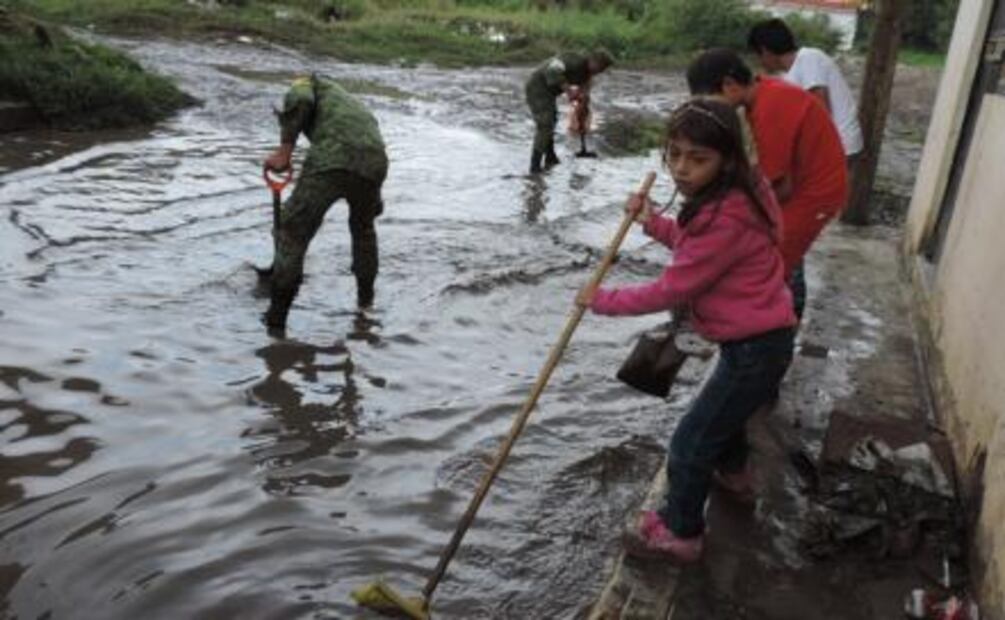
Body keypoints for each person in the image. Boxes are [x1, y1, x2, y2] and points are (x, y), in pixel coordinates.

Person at [577, 99, 797, 563]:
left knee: (689, 444)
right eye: (673, 153)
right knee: (724, 418)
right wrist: (652, 222)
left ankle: (681, 534)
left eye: (697, 159)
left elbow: (671, 288)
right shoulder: (736, 196)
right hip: (760, 338)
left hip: (755, 346)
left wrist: (601, 300)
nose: (681, 169)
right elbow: (694, 244)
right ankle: (735, 478)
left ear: (727, 159)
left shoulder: (724, 216)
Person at [686, 49, 848, 320]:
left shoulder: (772, 106)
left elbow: (775, 188)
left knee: (769, 259)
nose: (712, 112)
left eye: (712, 101)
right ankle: (782, 314)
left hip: (815, 192)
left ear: (729, 84)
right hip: (803, 182)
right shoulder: (763, 93)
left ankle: (776, 326)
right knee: (777, 251)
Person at [262, 74, 389, 332]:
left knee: (292, 232)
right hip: (375, 162)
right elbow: (367, 142)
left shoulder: (306, 82)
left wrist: (284, 151)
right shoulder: (351, 104)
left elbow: (300, 98)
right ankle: (365, 307)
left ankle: (276, 323)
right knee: (364, 231)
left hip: (333, 157)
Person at [747, 18, 863, 161]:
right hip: (828, 143)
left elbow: (821, 111)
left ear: (765, 52)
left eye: (757, 56)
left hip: (841, 143)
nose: (760, 63)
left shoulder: (809, 57)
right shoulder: (786, 76)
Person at [524, 49, 613, 173]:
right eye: (599, 66)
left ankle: (550, 157)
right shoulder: (572, 60)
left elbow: (584, 99)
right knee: (545, 124)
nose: (599, 71)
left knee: (552, 120)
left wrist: (582, 117)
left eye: (602, 70)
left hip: (550, 92)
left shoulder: (587, 76)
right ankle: (535, 167)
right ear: (592, 60)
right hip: (537, 87)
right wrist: (569, 91)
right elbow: (552, 70)